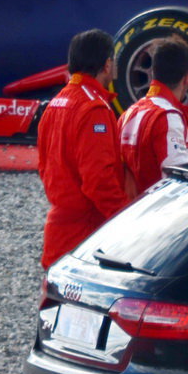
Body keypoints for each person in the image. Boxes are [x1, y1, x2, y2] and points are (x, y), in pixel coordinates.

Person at [36, 29, 134, 271]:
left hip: (59, 228)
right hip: (84, 235)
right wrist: (127, 219)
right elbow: (98, 180)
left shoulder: (57, 102)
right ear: (107, 64)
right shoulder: (94, 109)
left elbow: (43, 166)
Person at [118, 37, 188, 195]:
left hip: (132, 211)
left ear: (153, 72)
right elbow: (182, 178)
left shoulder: (129, 113)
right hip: (159, 211)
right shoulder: (168, 116)